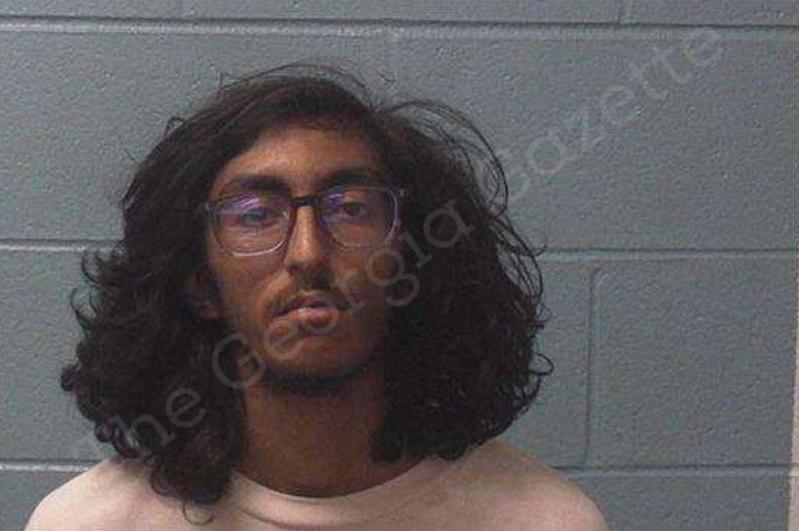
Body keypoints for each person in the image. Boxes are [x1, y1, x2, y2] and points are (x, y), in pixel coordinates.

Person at [25, 63, 609, 530]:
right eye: (256, 214)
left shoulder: (543, 521)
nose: (307, 253)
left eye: (350, 209)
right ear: (200, 283)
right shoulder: (88, 523)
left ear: (411, 260)